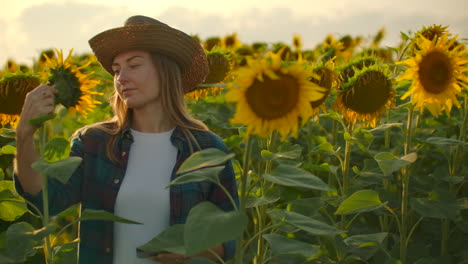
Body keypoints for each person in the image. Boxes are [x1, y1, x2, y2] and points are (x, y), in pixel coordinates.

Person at [14, 15, 238, 264]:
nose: (121, 79)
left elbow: (228, 233)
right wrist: (24, 134)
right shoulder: (95, 143)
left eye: (134, 65)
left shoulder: (206, 148)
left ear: (165, 71)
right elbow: (46, 199)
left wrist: (197, 250)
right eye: (117, 70)